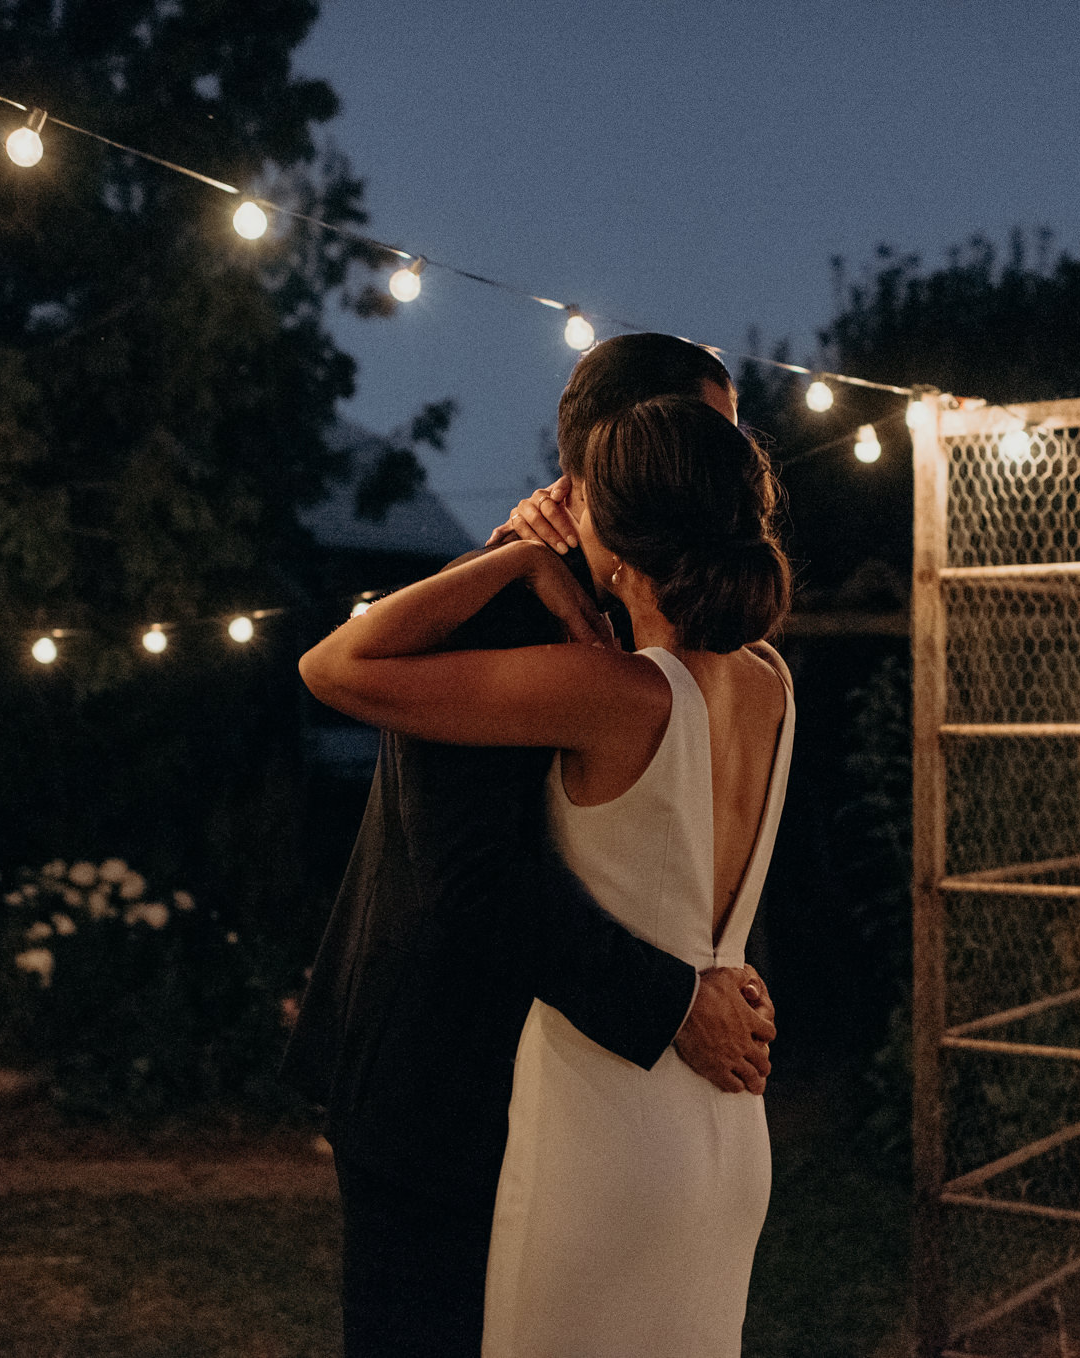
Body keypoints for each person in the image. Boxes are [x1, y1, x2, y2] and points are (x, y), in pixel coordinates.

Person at [282, 334, 780, 1358]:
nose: (720, 460)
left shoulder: (678, 640)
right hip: (441, 1085)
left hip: (593, 1110)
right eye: (703, 429)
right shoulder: (490, 612)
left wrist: (708, 967)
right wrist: (681, 995)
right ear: (611, 457)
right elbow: (475, 880)